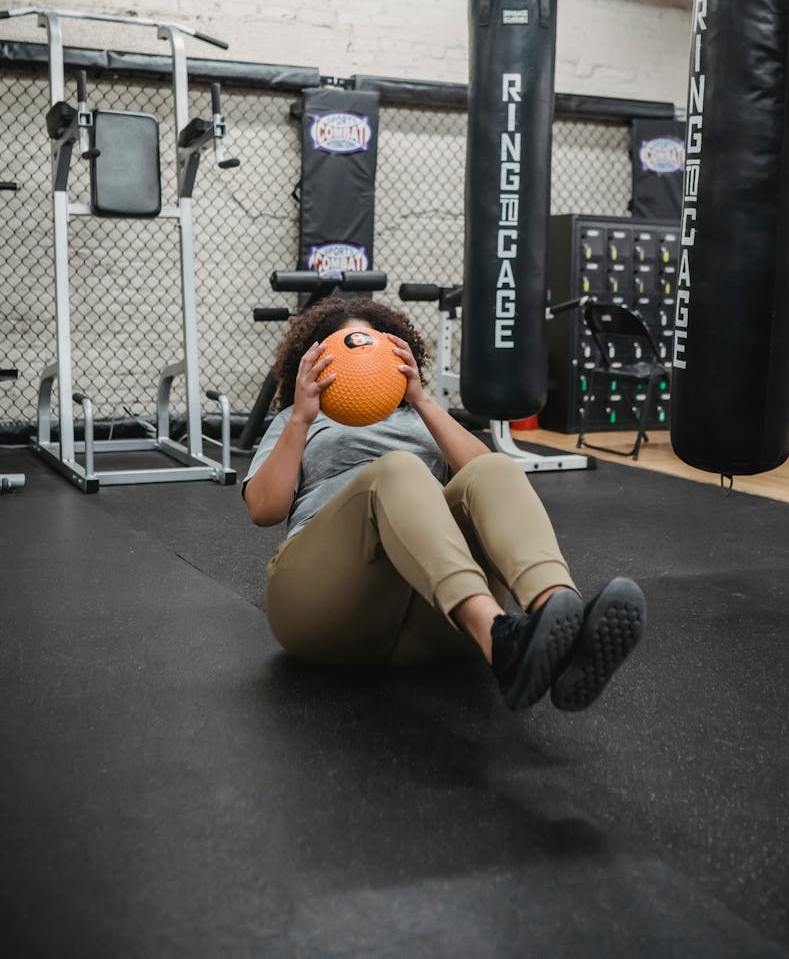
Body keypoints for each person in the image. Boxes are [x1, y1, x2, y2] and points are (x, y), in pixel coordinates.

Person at [243, 296, 646, 712]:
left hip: (433, 618)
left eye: (374, 350)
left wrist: (421, 399)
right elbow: (264, 510)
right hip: (325, 610)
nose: (362, 363)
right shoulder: (298, 419)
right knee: (398, 469)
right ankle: (499, 641)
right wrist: (301, 418)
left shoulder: (419, 416)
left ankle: (559, 621)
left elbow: (485, 477)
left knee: (495, 468)